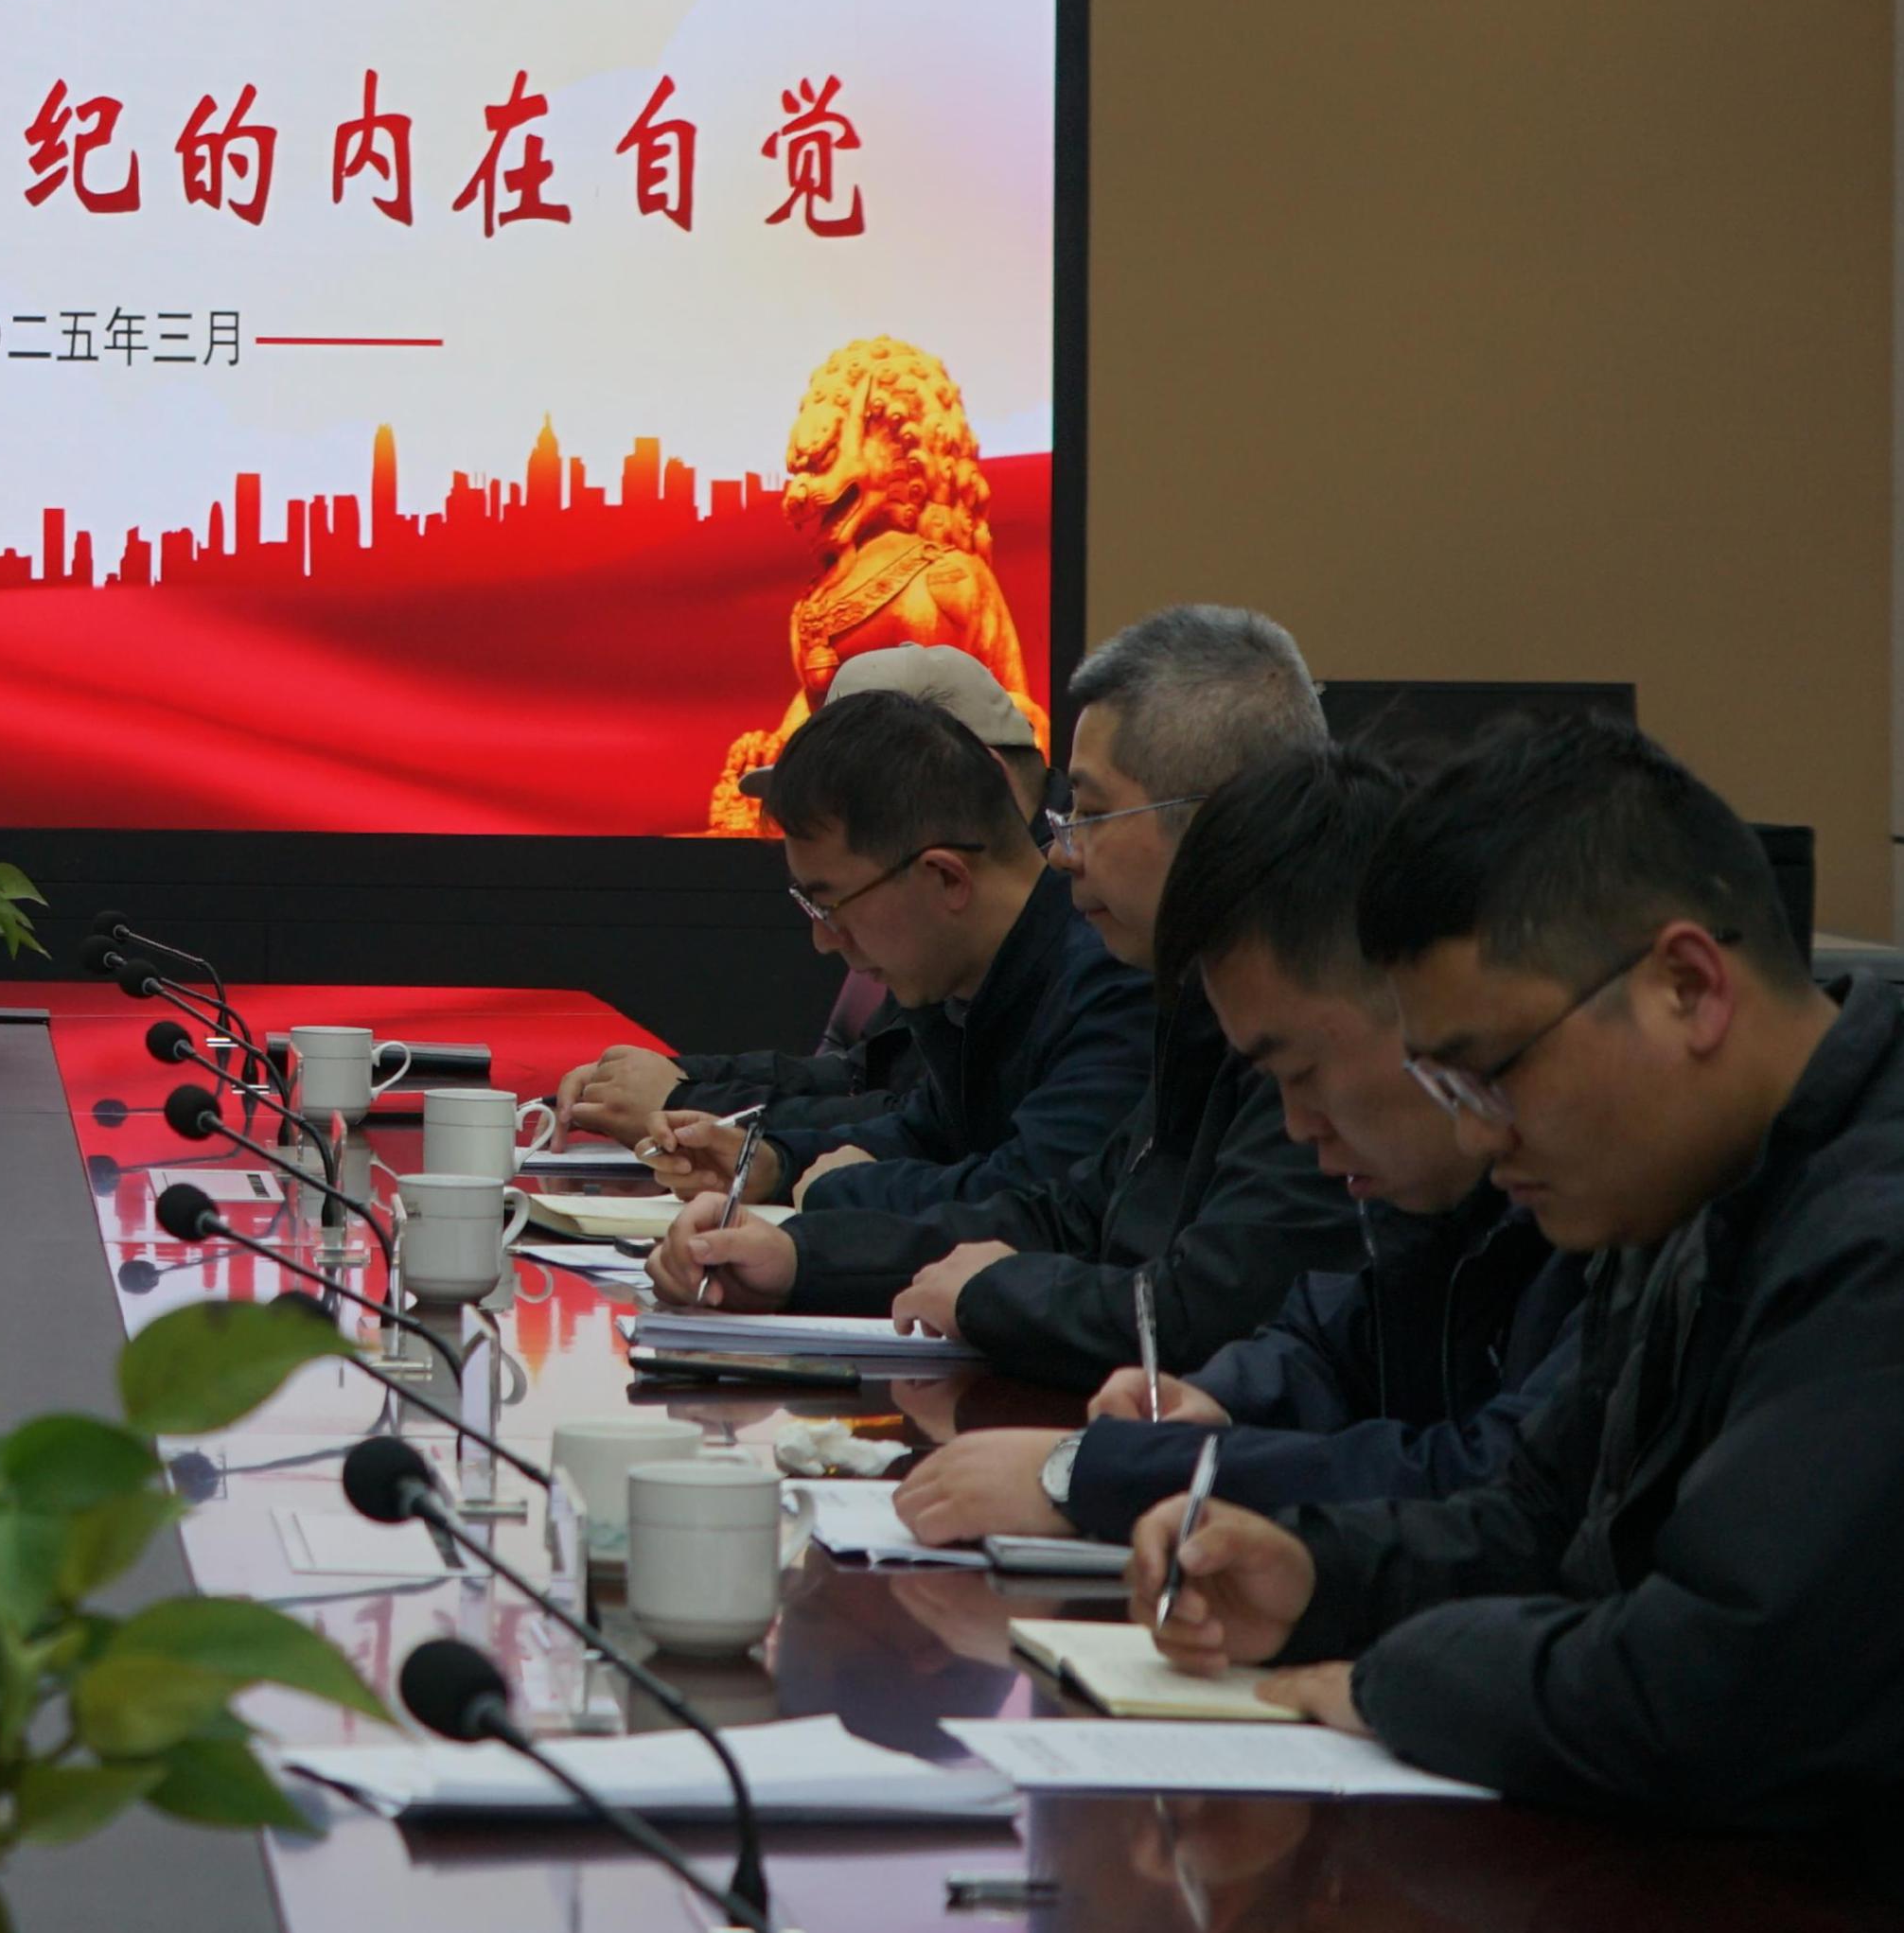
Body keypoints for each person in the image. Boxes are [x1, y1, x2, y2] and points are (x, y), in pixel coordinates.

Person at [1132, 715, 1904, 1933]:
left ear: (1686, 986)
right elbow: (1541, 1520)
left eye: (1491, 1071)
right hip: (1803, 1912)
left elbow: (1718, 1698)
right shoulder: (1711, 1184)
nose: (1479, 1133)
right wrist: (1314, 1574)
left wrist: (1389, 1674)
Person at [890, 741, 1578, 1545]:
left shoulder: (1609, 1206)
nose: (1297, 1123)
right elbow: (1335, 1338)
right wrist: (1222, 1400)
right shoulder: (1436, 1190)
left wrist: (1111, 1474)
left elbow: (1499, 1485)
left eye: (1302, 1072)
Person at [659, 610, 1357, 1373]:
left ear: (1221, 820)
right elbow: (1070, 1214)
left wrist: (989, 1292)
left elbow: (1208, 1310)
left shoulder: (1323, 1015)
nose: (1062, 851)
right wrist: (800, 1257)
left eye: (1093, 812)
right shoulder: (1193, 999)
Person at [642, 690, 1145, 1303]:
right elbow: (924, 1131)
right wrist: (774, 1162)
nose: (824, 939)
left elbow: (1040, 1200)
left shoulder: (1115, 978)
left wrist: (838, 1194)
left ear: (945, 876)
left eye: (830, 904)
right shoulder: (982, 975)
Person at [555, 644, 1041, 1157]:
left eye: (861, 796)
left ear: (979, 780)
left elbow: (940, 1138)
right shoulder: (944, 921)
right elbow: (873, 1080)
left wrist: (686, 1102)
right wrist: (678, 1081)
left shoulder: (1075, 935)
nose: (825, 939)